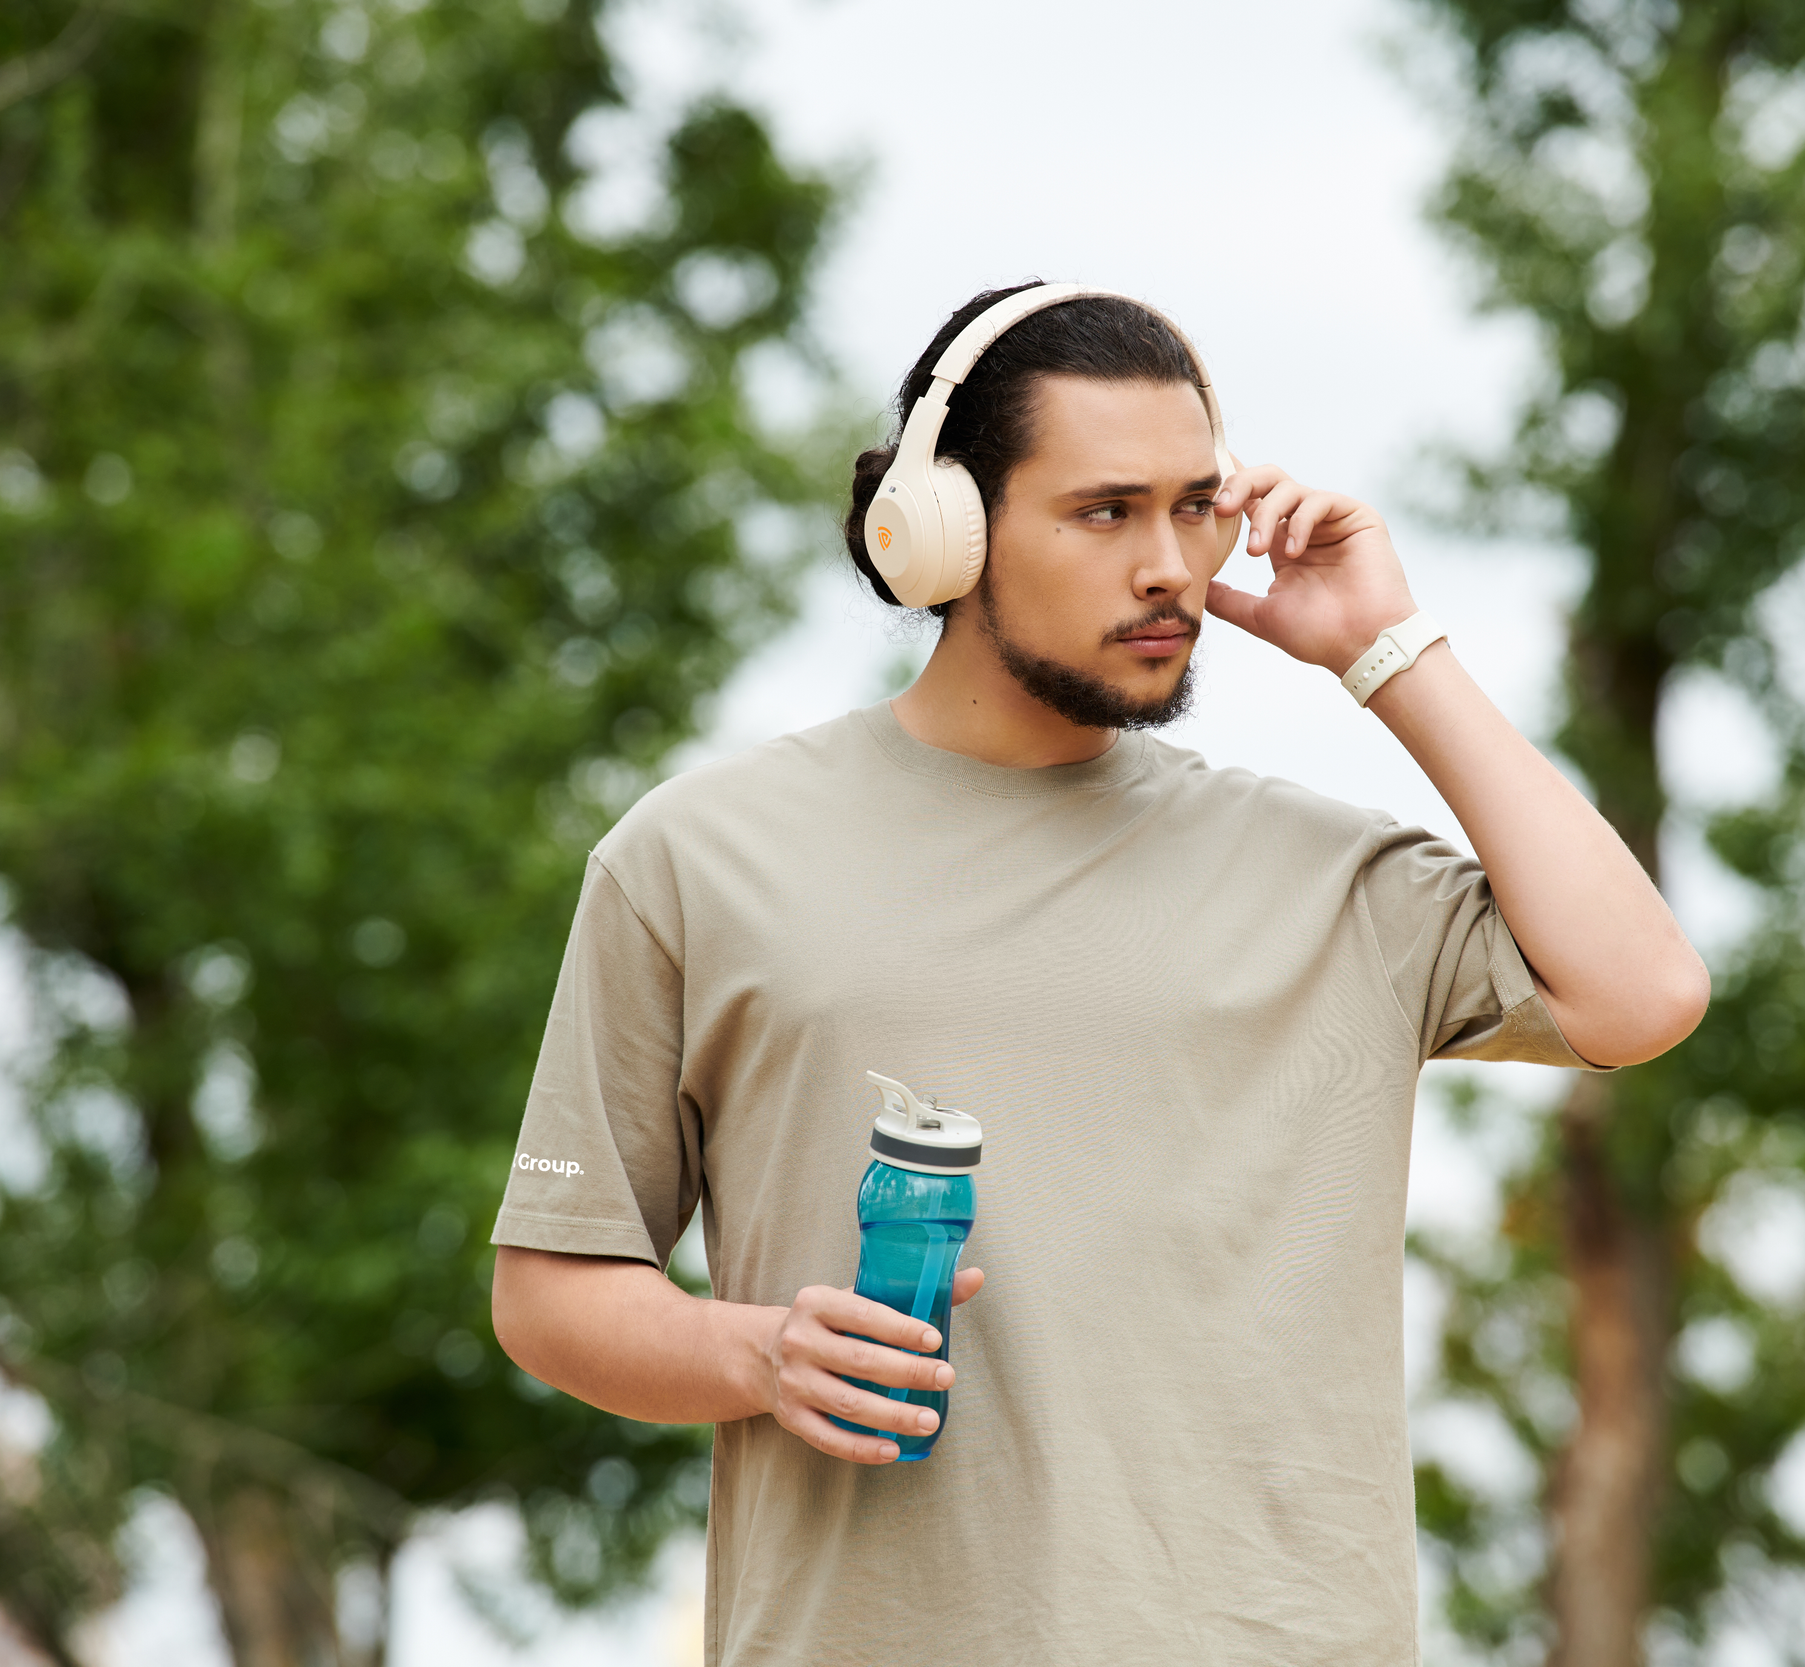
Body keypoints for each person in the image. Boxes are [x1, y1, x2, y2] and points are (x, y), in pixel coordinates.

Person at [489, 282, 1708, 1664]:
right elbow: (550, 1291)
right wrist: (755, 1354)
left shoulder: (1323, 880)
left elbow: (1642, 992)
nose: (1172, 567)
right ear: (941, 529)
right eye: (1106, 510)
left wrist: (1387, 650)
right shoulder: (696, 860)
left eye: (1197, 506)